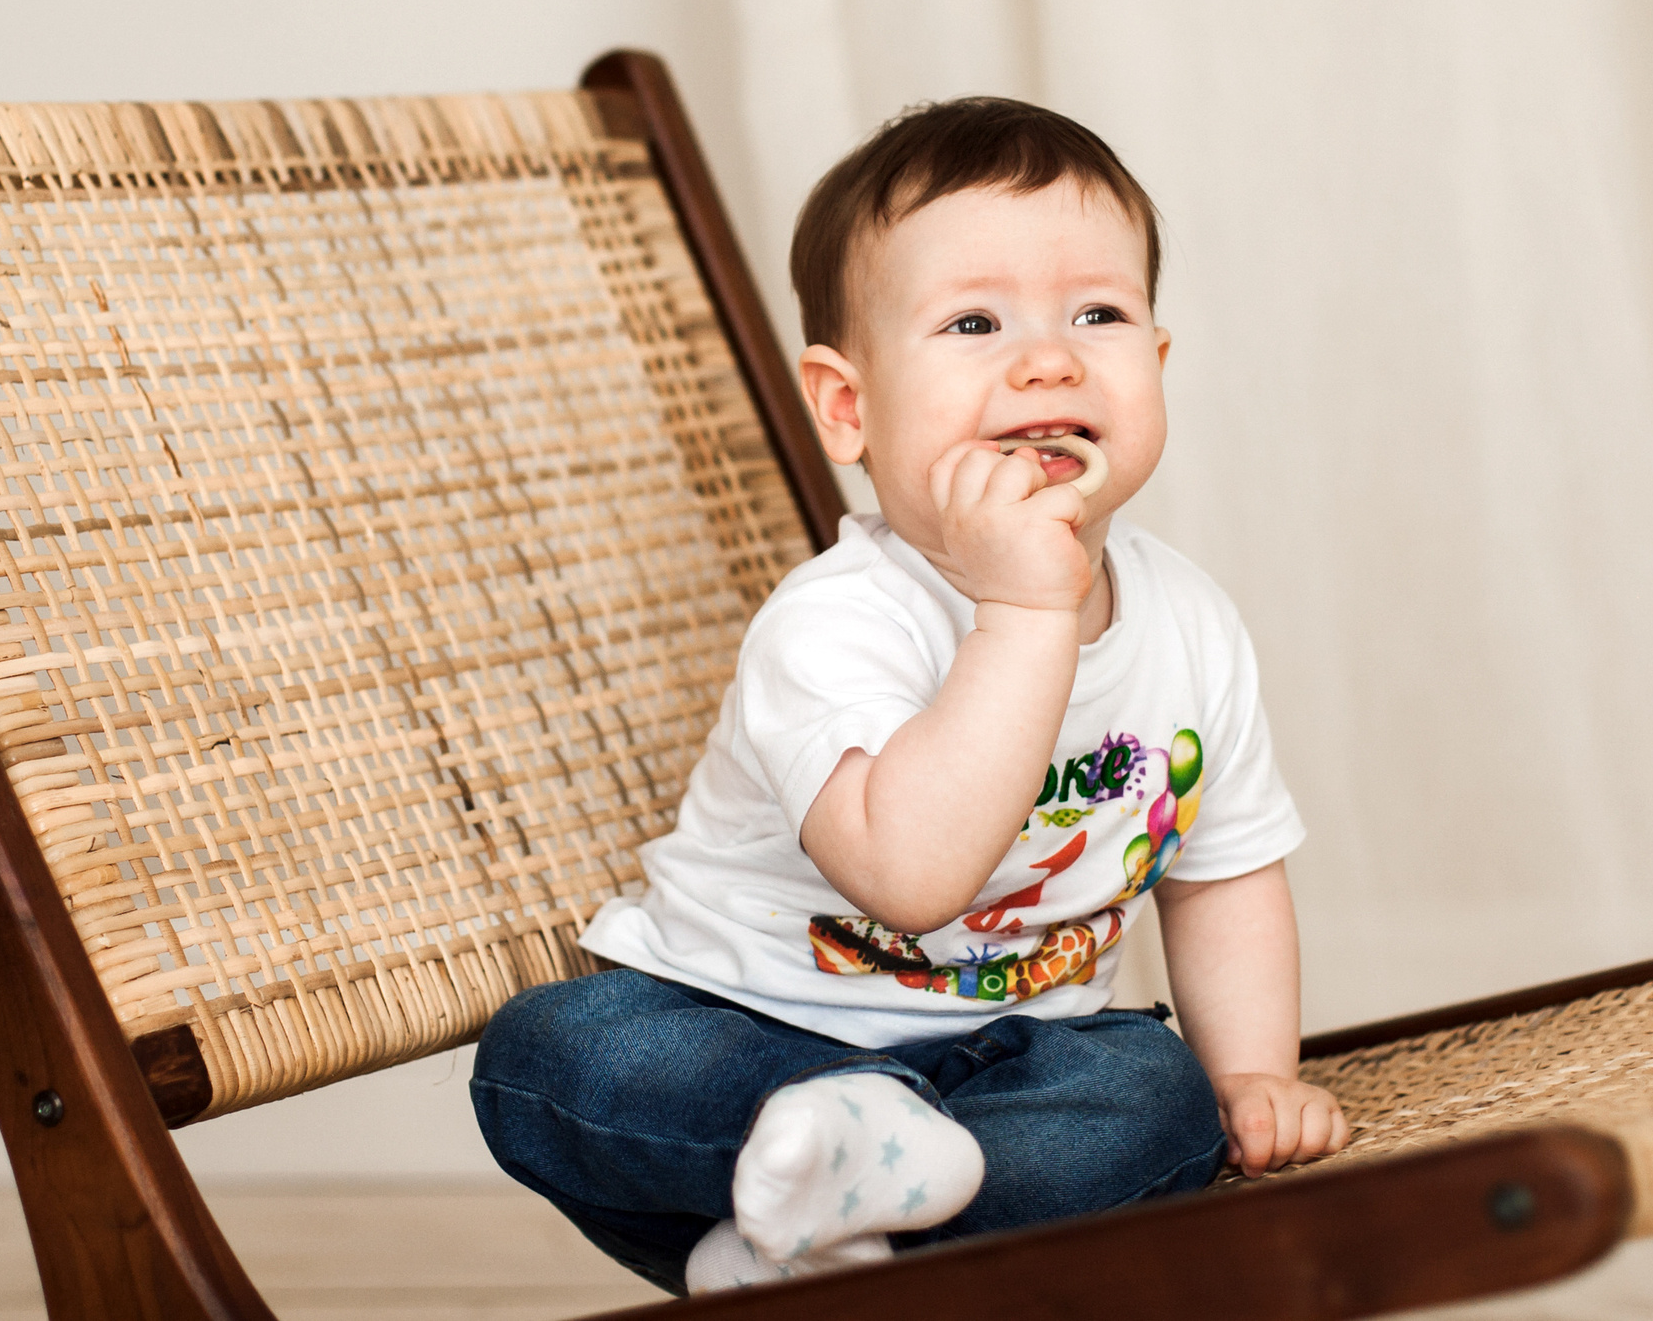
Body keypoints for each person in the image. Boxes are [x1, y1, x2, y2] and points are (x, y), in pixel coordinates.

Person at [470, 98, 1349, 1294]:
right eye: (974, 322)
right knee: (552, 1054)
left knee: (1155, 1103)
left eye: (1097, 314)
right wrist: (1025, 612)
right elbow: (910, 878)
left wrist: (1250, 1073)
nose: (1048, 358)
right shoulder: (835, 621)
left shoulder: (1189, 621)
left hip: (1017, 1057)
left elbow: (1224, 871)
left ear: (1152, 366)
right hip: (745, 1030)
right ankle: (848, 1169)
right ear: (850, 408)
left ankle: (808, 1248)